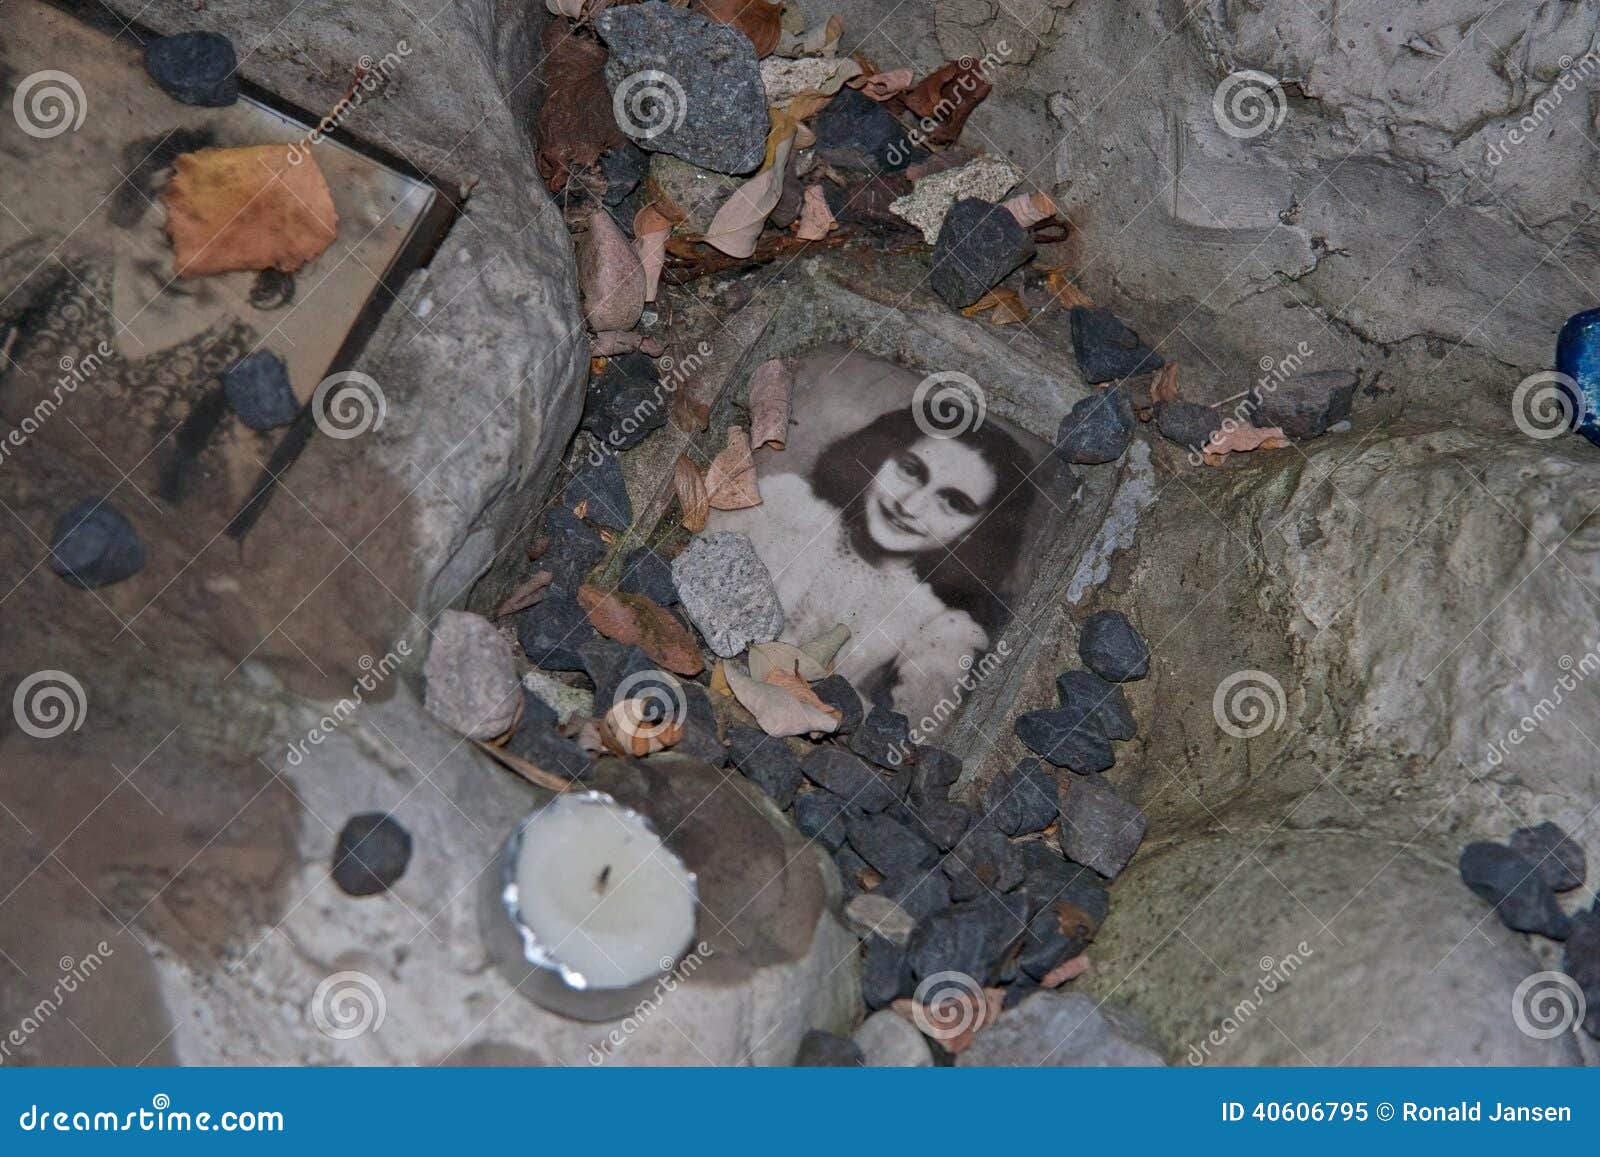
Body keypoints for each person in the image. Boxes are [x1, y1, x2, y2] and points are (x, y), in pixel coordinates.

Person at [716, 405, 1036, 722]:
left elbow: (906, 738)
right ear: (880, 460)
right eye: (910, 470)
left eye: (954, 503)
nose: (908, 506)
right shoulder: (782, 506)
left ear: (974, 531)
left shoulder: (937, 628)